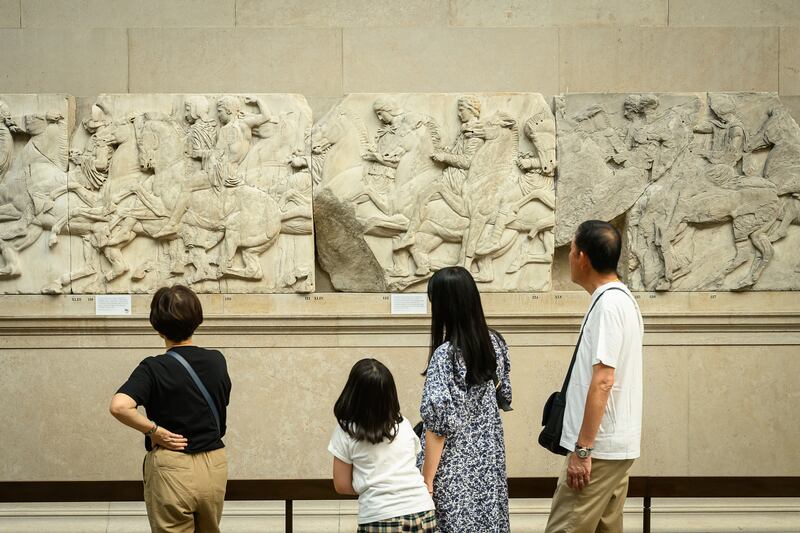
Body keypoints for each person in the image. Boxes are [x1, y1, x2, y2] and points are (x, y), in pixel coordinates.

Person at [545, 220, 643, 533]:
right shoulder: (619, 299)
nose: (570, 257)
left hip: (597, 451)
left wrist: (583, 450)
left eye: (571, 250)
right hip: (611, 447)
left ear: (583, 257)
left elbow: (603, 380)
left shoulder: (609, 305)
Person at [109, 285, 231, 533]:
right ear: (197, 320)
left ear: (157, 326)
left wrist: (154, 431)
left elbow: (120, 406)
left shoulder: (153, 368)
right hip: (214, 464)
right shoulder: (217, 360)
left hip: (172, 466)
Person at [417, 266, 512, 532]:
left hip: (453, 471)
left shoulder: (445, 356)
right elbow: (502, 396)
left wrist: (427, 482)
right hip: (488, 468)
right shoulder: (496, 344)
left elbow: (437, 430)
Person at [328, 358, 436, 532]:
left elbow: (342, 485)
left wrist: (374, 484)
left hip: (380, 516)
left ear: (352, 393)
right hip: (423, 510)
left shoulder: (346, 431)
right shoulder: (403, 424)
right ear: (390, 394)